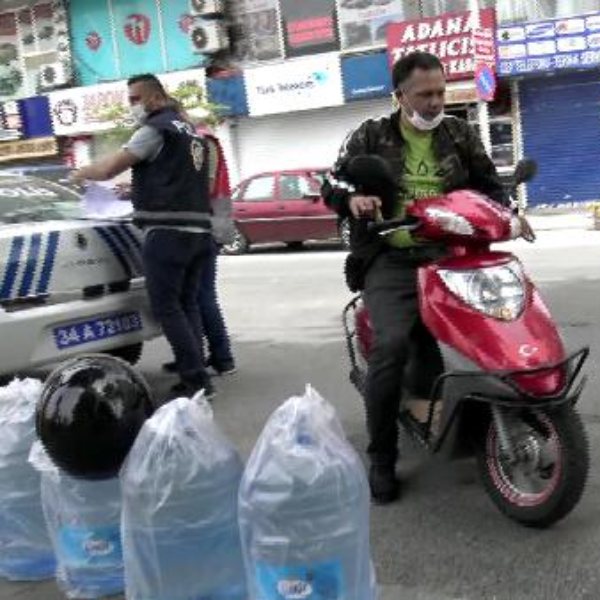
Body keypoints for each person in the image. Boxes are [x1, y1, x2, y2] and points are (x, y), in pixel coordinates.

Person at [322, 52, 533, 504]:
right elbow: (333, 183)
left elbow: (488, 184)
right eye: (426, 94)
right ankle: (382, 455)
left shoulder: (459, 133)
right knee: (392, 346)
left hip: (454, 254)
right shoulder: (371, 135)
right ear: (400, 95)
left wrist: (511, 213)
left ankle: (500, 414)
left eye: (440, 92)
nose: (437, 102)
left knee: (499, 325)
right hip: (392, 260)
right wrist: (354, 199)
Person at [72, 74, 215, 398]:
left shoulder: (155, 129)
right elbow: (174, 176)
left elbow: (109, 168)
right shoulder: (188, 129)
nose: (132, 106)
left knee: (166, 306)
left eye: (135, 99)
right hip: (199, 230)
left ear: (153, 98)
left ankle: (195, 380)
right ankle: (195, 371)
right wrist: (135, 190)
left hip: (168, 232)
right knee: (187, 303)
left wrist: (82, 173)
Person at [160, 98, 237, 377]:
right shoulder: (198, 140)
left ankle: (222, 357)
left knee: (201, 294)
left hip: (206, 224)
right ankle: (196, 355)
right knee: (193, 295)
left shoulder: (203, 141)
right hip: (204, 223)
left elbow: (202, 185)